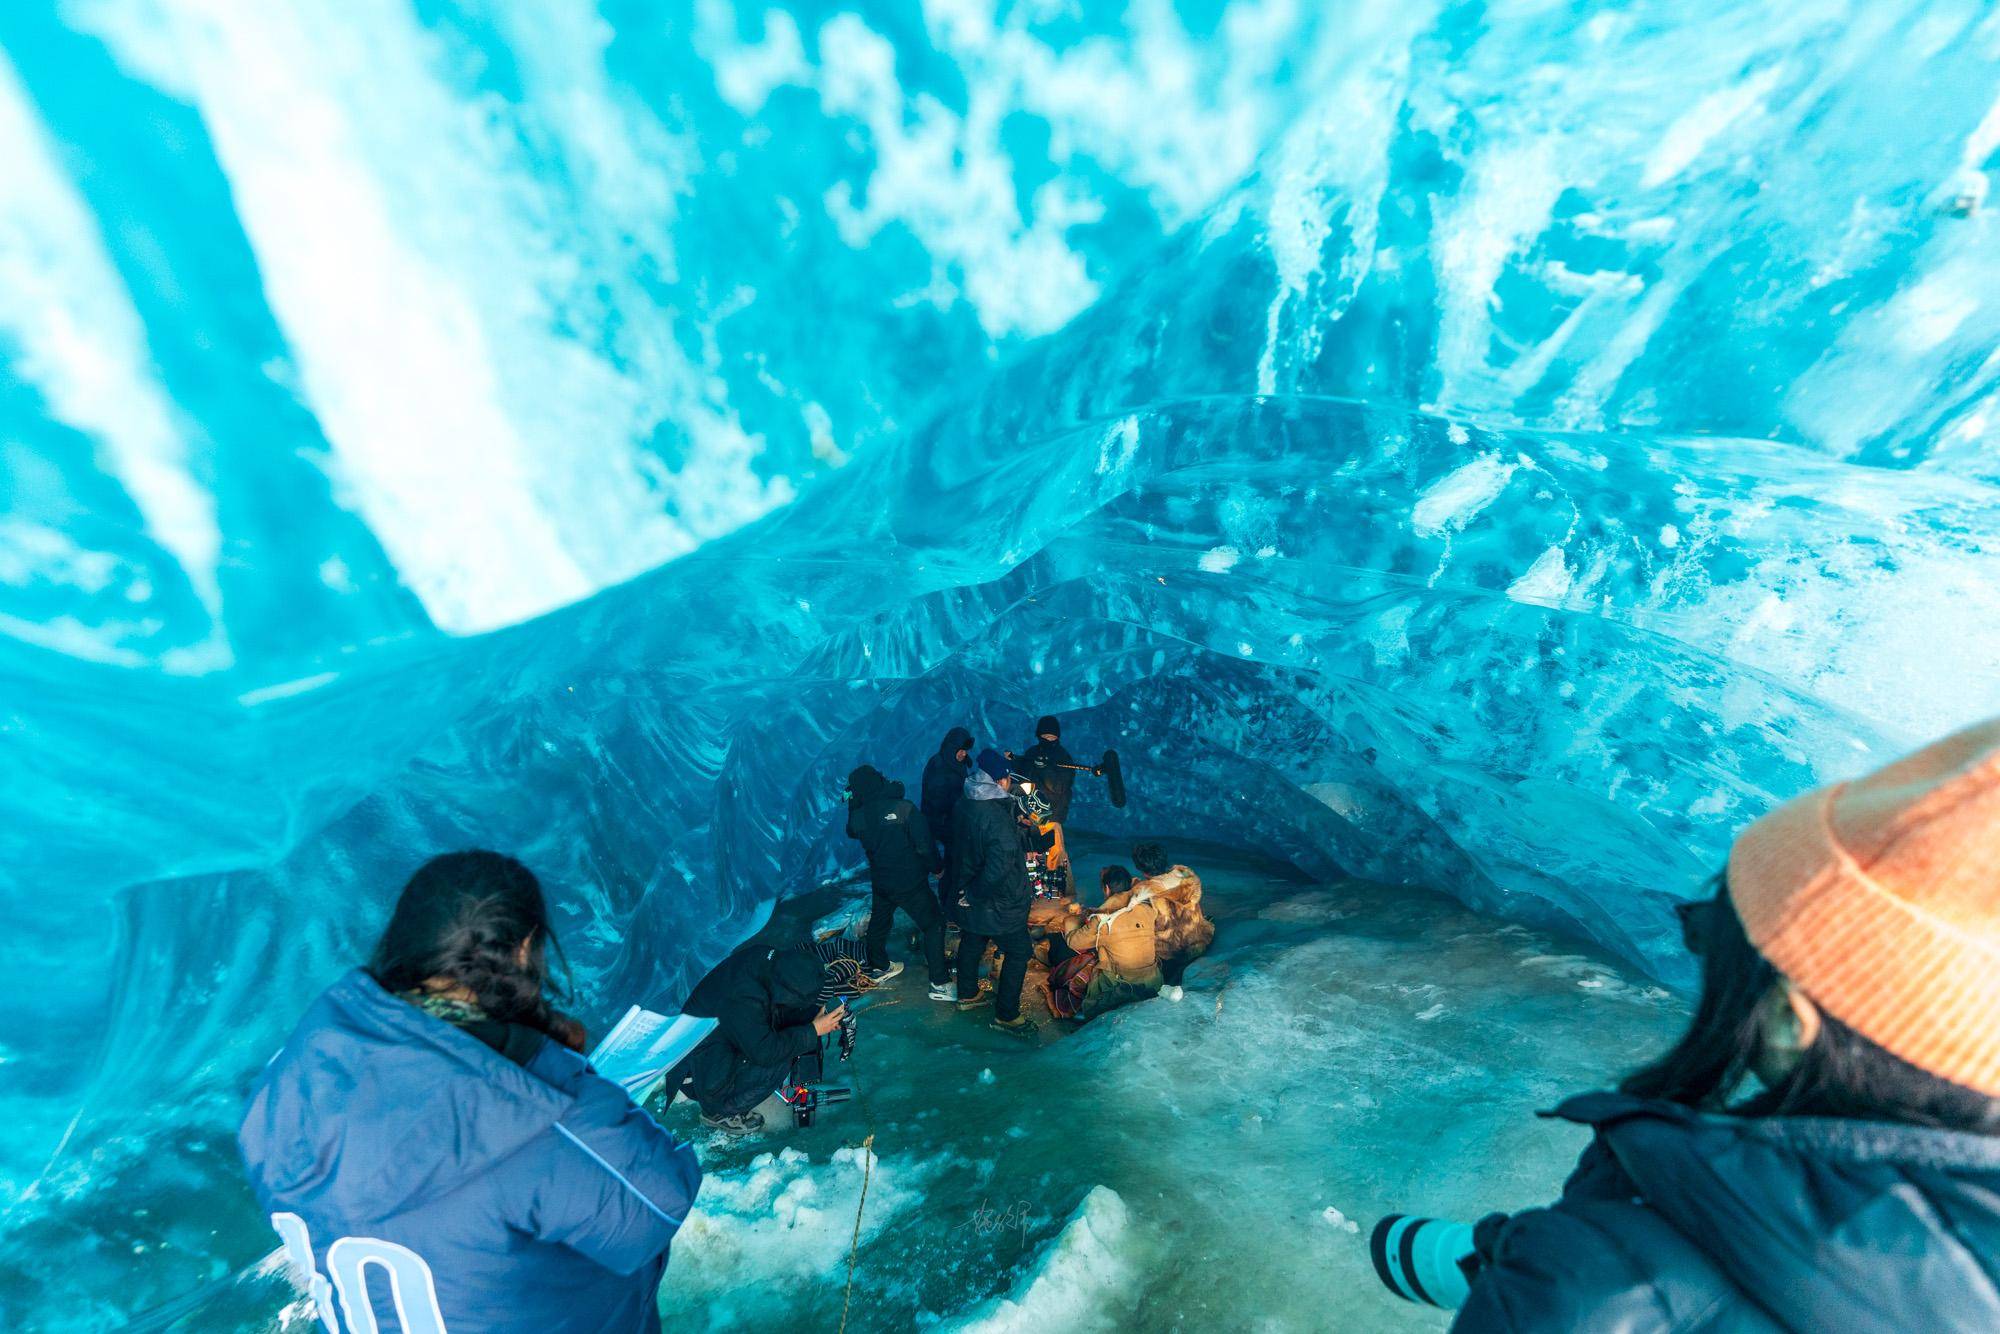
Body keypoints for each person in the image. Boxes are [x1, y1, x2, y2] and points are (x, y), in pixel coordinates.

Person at [1450, 718, 2000, 1332]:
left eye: (1707, 932)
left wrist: (1561, 1263)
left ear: (1791, 1021)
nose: (1698, 943)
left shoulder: (1592, 1292)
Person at [239, 851, 702, 1334]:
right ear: (524, 951)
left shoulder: (287, 1076)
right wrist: (551, 1062)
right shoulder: (532, 1109)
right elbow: (655, 1202)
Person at [676, 942, 847, 1135]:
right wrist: (813, 1030)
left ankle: (726, 1090)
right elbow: (766, 1053)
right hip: (697, 1073)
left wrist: (815, 1014)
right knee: (780, 1056)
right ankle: (718, 1112)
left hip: (720, 1037)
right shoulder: (743, 998)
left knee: (799, 1025)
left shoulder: (768, 961)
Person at [845, 763, 951, 997]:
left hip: (881, 881)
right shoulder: (904, 808)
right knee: (934, 924)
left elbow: (851, 830)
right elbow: (924, 845)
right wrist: (937, 868)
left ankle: (879, 966)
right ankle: (939, 983)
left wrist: (853, 802)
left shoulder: (859, 817)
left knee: (880, 922)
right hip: (909, 882)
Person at [952, 748, 1037, 1036]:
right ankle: (1007, 1015)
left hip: (968, 886)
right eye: (1007, 778)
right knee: (1019, 951)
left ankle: (967, 994)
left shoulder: (966, 800)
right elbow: (999, 866)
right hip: (997, 900)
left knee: (973, 938)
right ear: (999, 780)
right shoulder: (995, 818)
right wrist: (976, 894)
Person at [1128, 842, 1213, 1001]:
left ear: (1142, 870)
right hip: (1198, 941)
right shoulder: (1186, 873)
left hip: (1168, 952)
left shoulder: (1142, 890)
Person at [921, 726, 975, 927]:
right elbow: (935, 801)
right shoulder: (938, 766)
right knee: (952, 867)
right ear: (951, 747)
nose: (964, 754)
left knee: (956, 865)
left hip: (955, 822)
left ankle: (951, 905)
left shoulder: (955, 763)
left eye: (966, 750)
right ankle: (948, 908)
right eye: (961, 749)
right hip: (943, 824)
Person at [1018, 715, 1078, 824]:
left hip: (1053, 813)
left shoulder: (1063, 757)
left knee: (1051, 839)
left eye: (1052, 737)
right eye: (1045, 736)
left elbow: (1059, 787)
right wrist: (1012, 760)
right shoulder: (1032, 752)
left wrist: (1044, 768)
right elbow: (1022, 773)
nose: (1048, 740)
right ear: (1039, 736)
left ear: (1057, 737)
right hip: (1030, 810)